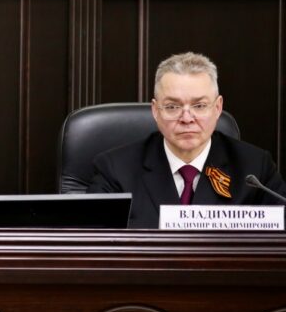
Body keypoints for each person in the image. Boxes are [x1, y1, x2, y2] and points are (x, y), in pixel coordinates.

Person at [88, 52, 286, 228]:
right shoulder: (115, 170)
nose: (187, 118)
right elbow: (92, 243)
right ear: (155, 111)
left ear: (217, 108)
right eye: (172, 107)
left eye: (199, 106)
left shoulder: (255, 171)